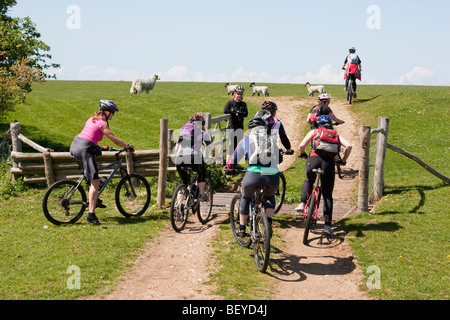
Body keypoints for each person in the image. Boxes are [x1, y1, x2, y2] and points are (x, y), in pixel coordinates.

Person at [70, 100, 133, 225]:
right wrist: (127, 147)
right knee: (95, 181)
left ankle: (95, 200)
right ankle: (91, 215)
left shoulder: (91, 119)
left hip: (75, 146)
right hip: (85, 150)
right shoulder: (102, 123)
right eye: (113, 112)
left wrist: (102, 147)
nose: (113, 115)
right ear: (106, 112)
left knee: (90, 178)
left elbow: (89, 136)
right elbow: (114, 139)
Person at [295, 115, 352, 236]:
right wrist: (343, 160)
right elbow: (349, 146)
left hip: (314, 160)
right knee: (327, 195)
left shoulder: (315, 131)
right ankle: (327, 225)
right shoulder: (336, 134)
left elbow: (301, 145)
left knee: (309, 180)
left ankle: (302, 203)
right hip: (328, 164)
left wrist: (303, 154)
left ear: (318, 124)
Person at [226, 110, 281, 238]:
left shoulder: (246, 140)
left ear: (250, 129)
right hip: (272, 175)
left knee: (245, 197)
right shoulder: (271, 140)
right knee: (269, 196)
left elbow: (232, 161)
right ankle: (268, 222)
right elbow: (279, 159)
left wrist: (230, 168)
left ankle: (242, 227)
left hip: (253, 175)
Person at [173, 114, 219, 201]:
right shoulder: (203, 134)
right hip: (193, 157)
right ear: (201, 124)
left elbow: (176, 148)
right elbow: (213, 149)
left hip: (179, 158)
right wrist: (217, 157)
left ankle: (178, 205)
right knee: (202, 172)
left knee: (184, 184)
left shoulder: (182, 133)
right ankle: (201, 195)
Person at [223, 85, 248, 158]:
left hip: (240, 126)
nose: (239, 95)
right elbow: (225, 110)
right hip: (232, 126)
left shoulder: (243, 104)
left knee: (238, 145)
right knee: (232, 145)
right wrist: (234, 112)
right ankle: (229, 162)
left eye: (241, 94)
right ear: (235, 93)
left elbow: (246, 114)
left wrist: (238, 113)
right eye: (238, 94)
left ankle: (235, 163)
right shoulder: (230, 102)